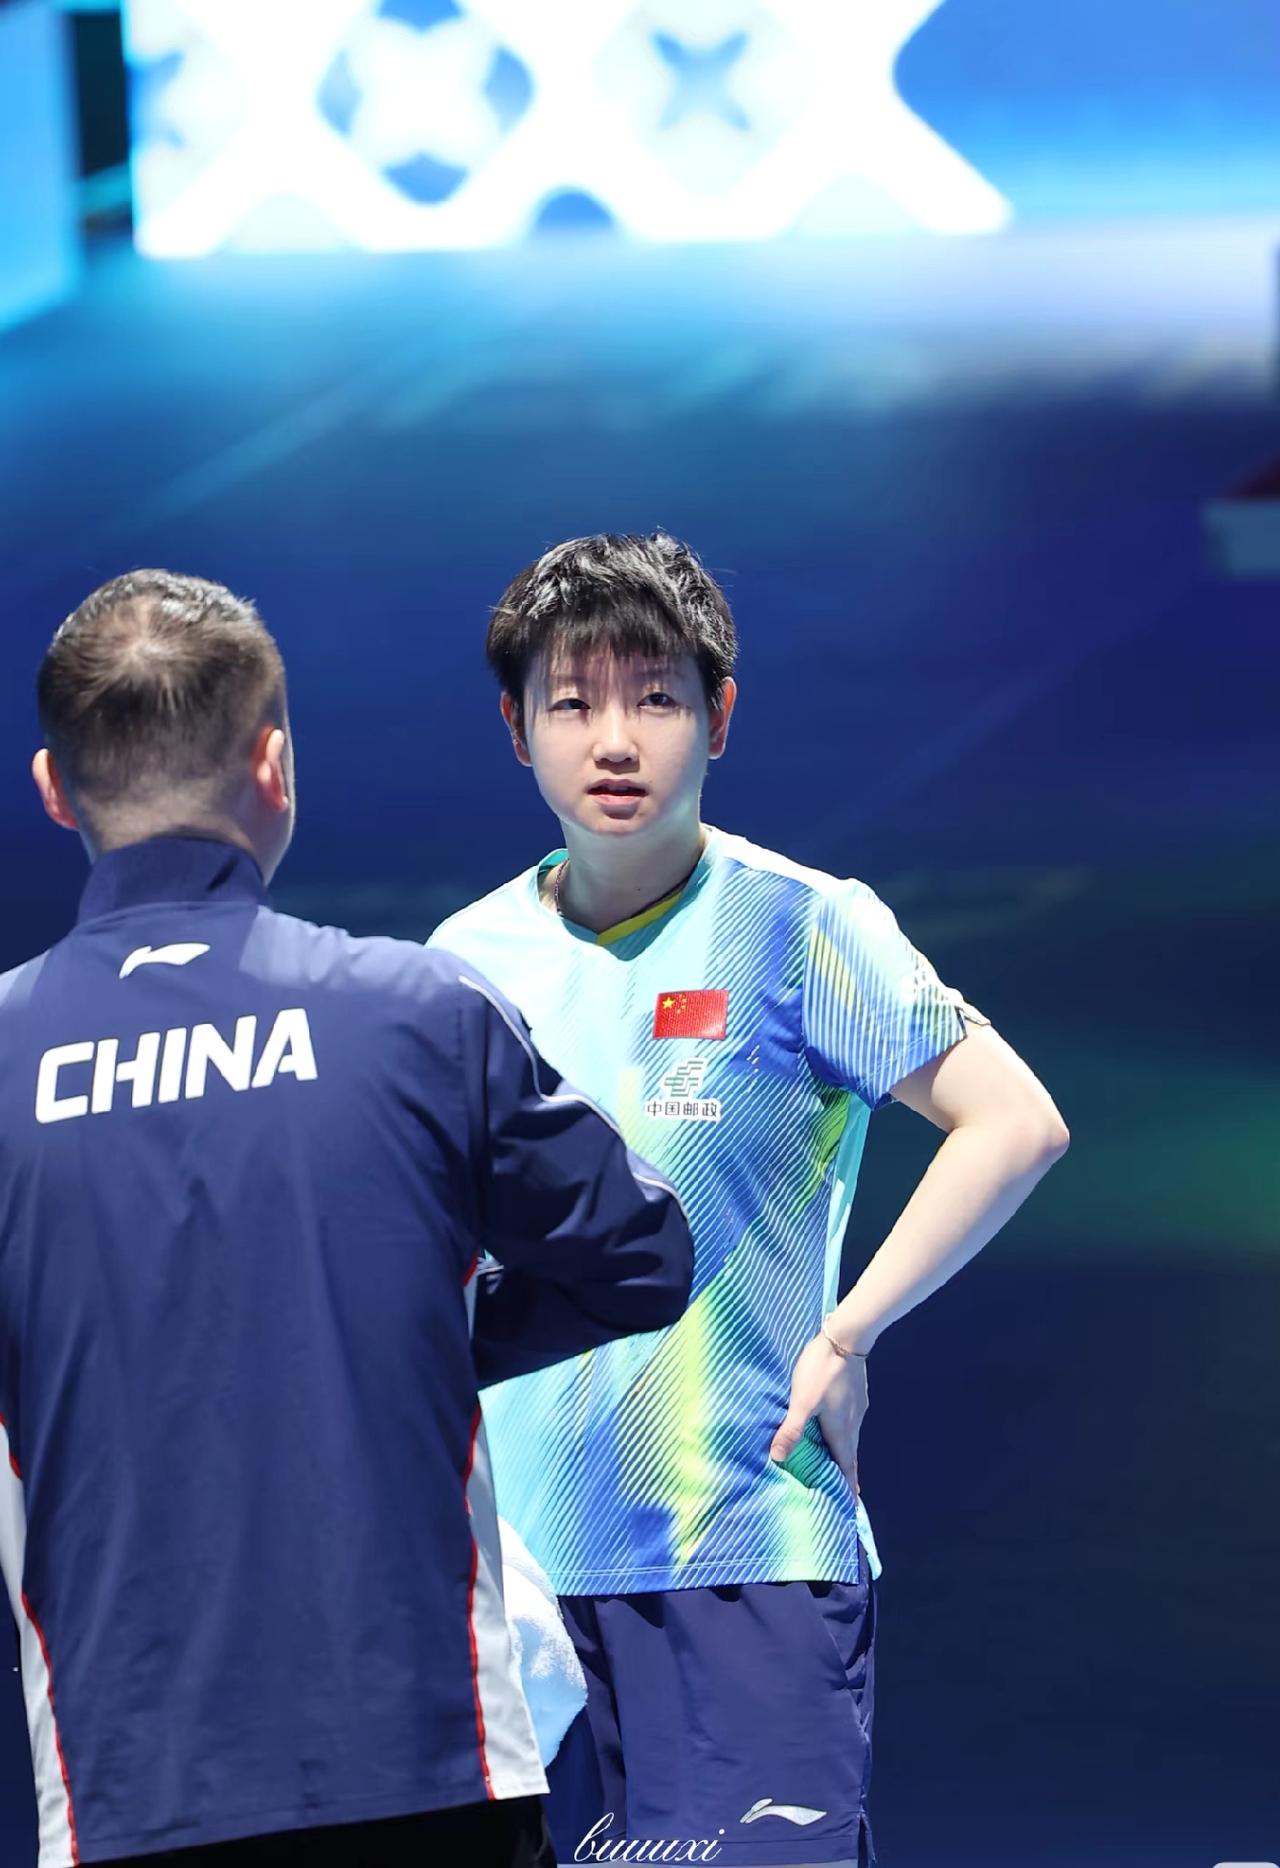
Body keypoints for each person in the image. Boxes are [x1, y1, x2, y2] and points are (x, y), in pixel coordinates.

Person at [0, 570, 695, 1868]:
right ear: (275, 766)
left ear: (53, 787)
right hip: (434, 1767)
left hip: (126, 1794)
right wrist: (430, 1334)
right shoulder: (419, 1012)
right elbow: (642, 1257)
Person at [428, 531, 1070, 1868]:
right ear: (515, 728)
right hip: (517, 1587)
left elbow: (1015, 1123)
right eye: (572, 703)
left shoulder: (802, 924)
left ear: (718, 717)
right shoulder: (460, 967)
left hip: (742, 1551)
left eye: (657, 699)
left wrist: (850, 1332)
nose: (616, 741)